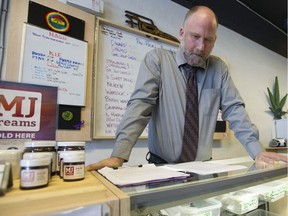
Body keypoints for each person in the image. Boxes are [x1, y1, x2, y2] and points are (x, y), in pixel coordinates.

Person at [87, 6, 287, 171]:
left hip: (204, 169)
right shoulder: (157, 60)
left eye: (208, 40)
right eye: (195, 36)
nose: (201, 47)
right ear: (182, 33)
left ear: (214, 41)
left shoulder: (218, 69)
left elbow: (235, 110)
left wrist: (257, 150)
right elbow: (139, 107)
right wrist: (118, 155)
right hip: (162, 168)